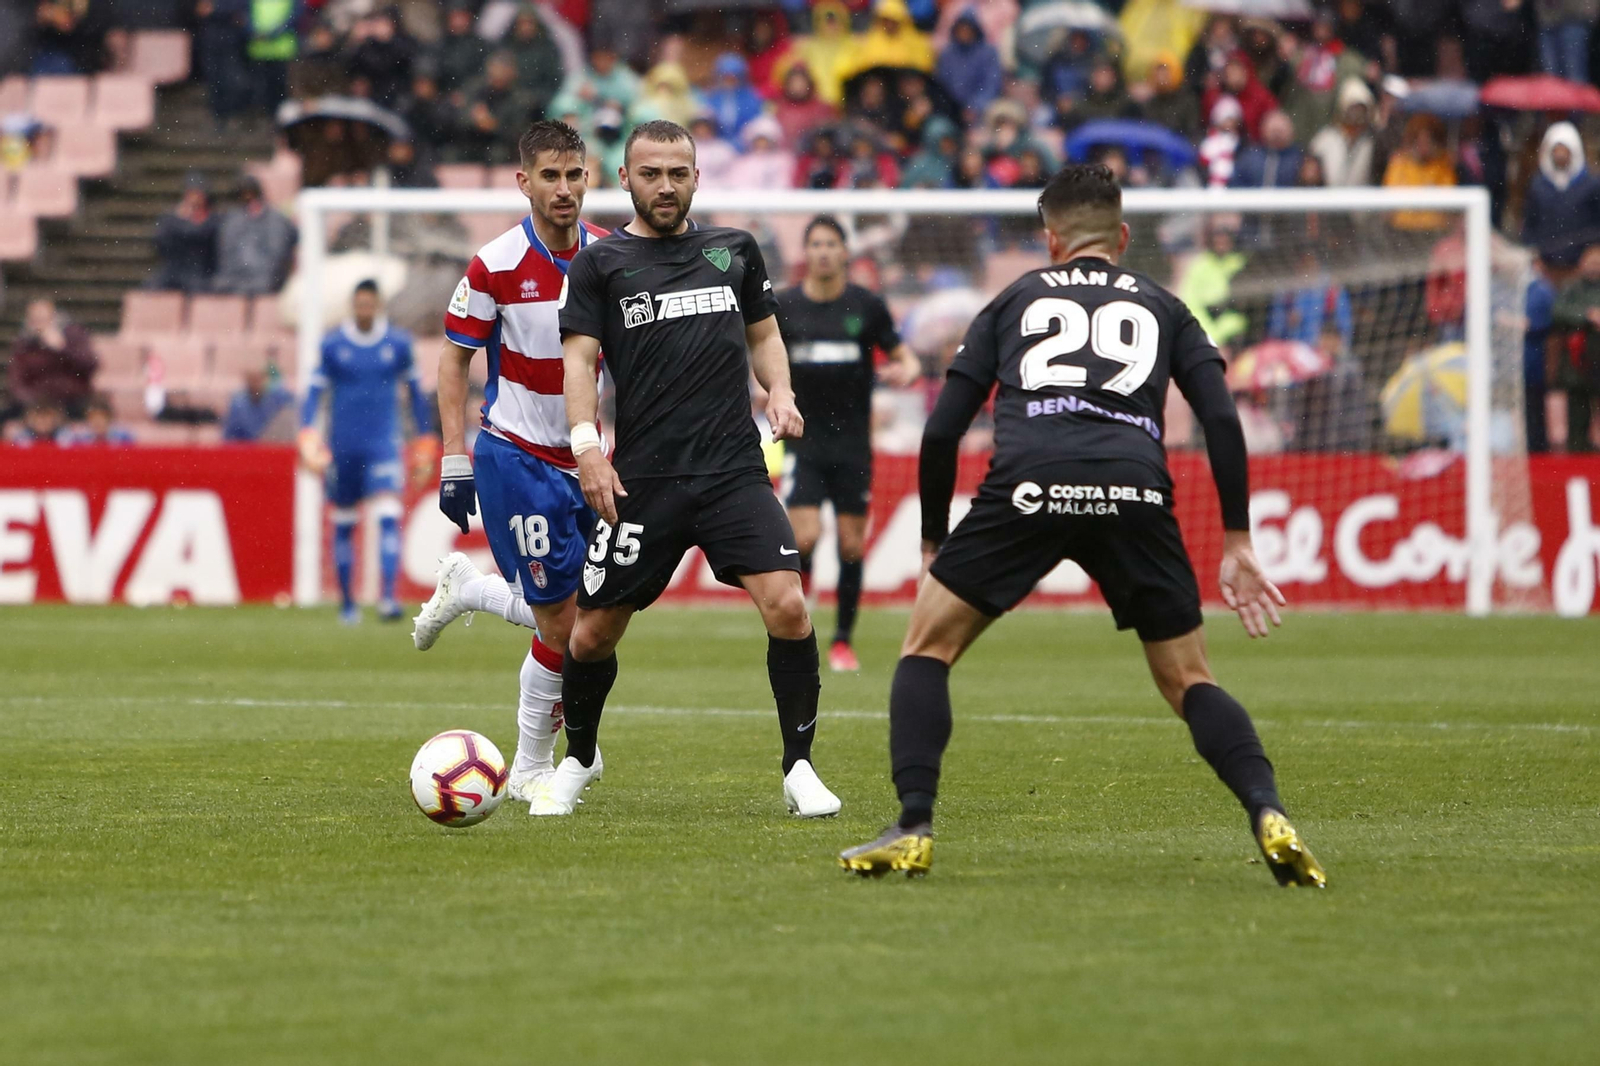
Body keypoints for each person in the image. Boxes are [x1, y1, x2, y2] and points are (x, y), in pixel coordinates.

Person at [837, 164, 1324, 887]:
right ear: (1122, 236)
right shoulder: (1165, 305)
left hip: (1029, 484)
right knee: (1190, 678)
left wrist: (935, 540)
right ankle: (1268, 811)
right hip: (1134, 488)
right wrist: (1238, 539)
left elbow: (941, 431)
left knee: (925, 649)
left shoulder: (1014, 299)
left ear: (1050, 239)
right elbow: (1221, 418)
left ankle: (913, 825)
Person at [547, 120, 842, 819]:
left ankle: (799, 768)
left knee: (790, 607)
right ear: (624, 179)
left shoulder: (733, 251)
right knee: (591, 635)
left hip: (733, 471)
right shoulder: (600, 264)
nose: (666, 185)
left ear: (697, 177)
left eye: (678, 172)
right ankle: (581, 759)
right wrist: (587, 447)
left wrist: (782, 390)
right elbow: (579, 362)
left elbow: (764, 331)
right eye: (651, 173)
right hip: (643, 479)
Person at [409, 121, 609, 803]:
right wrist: (454, 455)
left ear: (590, 178)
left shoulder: (610, 258)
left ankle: (472, 590)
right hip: (515, 455)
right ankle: (529, 766)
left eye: (574, 174)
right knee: (563, 623)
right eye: (549, 176)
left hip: (587, 459)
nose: (564, 188)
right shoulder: (493, 263)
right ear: (524, 182)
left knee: (596, 614)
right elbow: (454, 357)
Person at [775, 215, 920, 673]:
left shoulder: (866, 305)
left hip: (854, 444)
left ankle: (842, 641)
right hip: (803, 442)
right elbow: (762, 352)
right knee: (805, 537)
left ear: (844, 252)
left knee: (853, 546)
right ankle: (803, 629)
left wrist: (906, 372)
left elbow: (906, 358)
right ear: (806, 253)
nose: (822, 252)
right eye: (814, 244)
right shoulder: (785, 306)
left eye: (830, 244)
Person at [298, 280, 435, 624]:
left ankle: (388, 598)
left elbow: (416, 395)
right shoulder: (332, 345)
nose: (364, 311)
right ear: (352, 306)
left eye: (369, 305)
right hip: (342, 447)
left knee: (389, 517)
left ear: (378, 306)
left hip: (382, 445)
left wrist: (424, 439)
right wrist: (308, 432)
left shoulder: (398, 344)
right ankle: (347, 605)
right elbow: (314, 393)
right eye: (358, 305)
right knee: (344, 524)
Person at [1522, 122, 1600, 273]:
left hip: (1582, 268)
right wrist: (1533, 254)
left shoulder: (1591, 185)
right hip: (1546, 266)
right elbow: (1529, 225)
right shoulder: (1538, 186)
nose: (1560, 155)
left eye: (1564, 150)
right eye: (1556, 150)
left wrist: (1594, 252)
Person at [9, 299, 98, 419]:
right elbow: (17, 381)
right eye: (35, 320)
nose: (40, 325)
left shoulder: (73, 335)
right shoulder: (24, 345)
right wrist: (35, 403)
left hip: (71, 401)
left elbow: (90, 365)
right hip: (37, 406)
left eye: (44, 319)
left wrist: (62, 348)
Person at [1550, 243, 1600, 452]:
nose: (1594, 267)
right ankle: (1578, 458)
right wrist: (1587, 316)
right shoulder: (1572, 287)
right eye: (1591, 262)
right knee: (1578, 417)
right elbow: (1558, 313)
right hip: (1578, 363)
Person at [214, 175, 298, 296]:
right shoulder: (233, 221)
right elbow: (226, 252)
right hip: (237, 276)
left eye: (252, 194)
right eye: (244, 196)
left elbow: (277, 255)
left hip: (264, 277)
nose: (249, 200)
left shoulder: (276, 220)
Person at [149, 176, 218, 293]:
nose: (194, 198)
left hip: (201, 273)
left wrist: (182, 221)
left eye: (198, 193)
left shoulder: (213, 219)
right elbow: (159, 242)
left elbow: (199, 235)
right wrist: (179, 217)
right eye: (191, 193)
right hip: (174, 271)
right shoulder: (172, 217)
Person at [1308, 77, 1376, 188]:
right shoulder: (1326, 138)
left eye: (1361, 108)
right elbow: (1311, 173)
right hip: (1329, 200)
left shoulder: (1373, 140)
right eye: (1353, 108)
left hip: (1362, 201)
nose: (1357, 113)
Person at [1229, 109, 1302, 189]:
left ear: (1291, 131)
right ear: (1263, 129)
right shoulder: (1249, 158)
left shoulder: (1299, 158)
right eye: (1274, 130)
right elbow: (1236, 185)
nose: (1277, 136)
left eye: (1280, 131)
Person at [221, 362, 294, 441]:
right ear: (246, 380)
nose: (255, 383)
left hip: (272, 447)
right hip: (246, 449)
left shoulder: (279, 399)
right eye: (252, 379)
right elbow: (229, 435)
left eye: (258, 379)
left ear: (265, 379)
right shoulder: (237, 404)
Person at [63, 394, 135, 446]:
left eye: (101, 418)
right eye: (93, 418)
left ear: (109, 418)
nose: (98, 422)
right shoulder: (79, 438)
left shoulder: (123, 437)